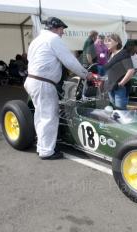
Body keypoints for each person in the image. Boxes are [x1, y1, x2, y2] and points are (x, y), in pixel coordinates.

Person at [24, 17, 92, 160]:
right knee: (49, 116)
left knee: (40, 115)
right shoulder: (53, 39)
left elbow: (31, 59)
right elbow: (70, 61)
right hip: (43, 83)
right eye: (62, 29)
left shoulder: (37, 40)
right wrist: (86, 75)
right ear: (55, 28)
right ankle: (47, 151)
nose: (63, 32)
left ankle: (41, 146)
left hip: (33, 80)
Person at [104, 34, 135, 110]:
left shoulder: (123, 53)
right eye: (106, 41)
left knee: (121, 113)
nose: (107, 43)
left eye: (109, 41)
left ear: (117, 42)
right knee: (114, 113)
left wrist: (121, 84)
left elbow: (131, 71)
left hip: (119, 89)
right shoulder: (110, 54)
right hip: (111, 88)